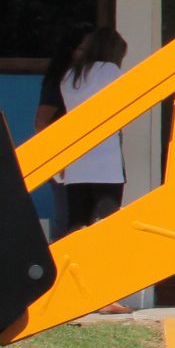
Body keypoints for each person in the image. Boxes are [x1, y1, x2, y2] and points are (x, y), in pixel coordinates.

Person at [56, 27, 132, 313]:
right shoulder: (111, 72)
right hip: (106, 162)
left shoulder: (71, 76)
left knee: (76, 226)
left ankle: (71, 290)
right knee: (105, 227)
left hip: (77, 161)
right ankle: (103, 296)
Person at [33, 25, 90, 239]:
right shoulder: (60, 80)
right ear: (71, 51)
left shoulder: (84, 80)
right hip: (64, 162)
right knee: (67, 220)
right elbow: (41, 122)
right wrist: (59, 160)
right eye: (84, 50)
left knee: (80, 220)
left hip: (83, 161)